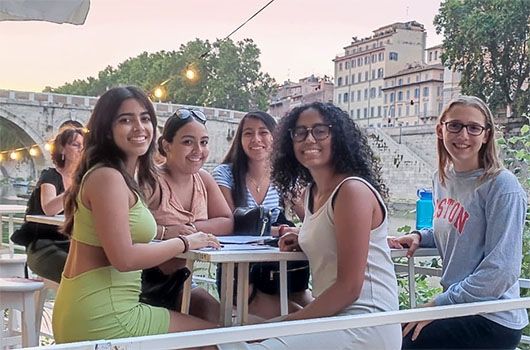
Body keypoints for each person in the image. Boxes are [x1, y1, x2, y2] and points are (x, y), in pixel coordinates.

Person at [220, 102, 402, 349]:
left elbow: (349, 288)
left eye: (320, 131)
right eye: (300, 132)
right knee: (231, 337)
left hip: (365, 322)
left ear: (338, 137)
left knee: (243, 344)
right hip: (332, 318)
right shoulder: (312, 193)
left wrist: (287, 322)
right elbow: (331, 235)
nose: (309, 139)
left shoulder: (352, 191)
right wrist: (304, 236)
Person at [52, 86, 220, 345]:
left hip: (96, 306)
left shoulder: (118, 176)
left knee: (210, 329)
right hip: (104, 314)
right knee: (214, 338)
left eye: (145, 118)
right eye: (125, 120)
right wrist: (186, 242)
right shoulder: (107, 177)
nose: (139, 127)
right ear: (107, 130)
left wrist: (170, 234)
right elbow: (124, 258)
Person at [388, 96, 528, 349]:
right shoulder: (441, 179)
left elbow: (502, 271)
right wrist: (421, 236)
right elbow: (456, 226)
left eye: (473, 127)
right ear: (441, 129)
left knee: (404, 341)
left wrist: (440, 304)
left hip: (491, 316)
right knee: (393, 334)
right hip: (459, 307)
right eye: (454, 125)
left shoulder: (501, 185)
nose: (463, 134)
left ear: (486, 135)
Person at [212, 111, 310, 319]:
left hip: (284, 273)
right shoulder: (224, 174)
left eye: (263, 132)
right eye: (248, 133)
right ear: (240, 139)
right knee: (303, 319)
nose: (256, 139)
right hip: (242, 276)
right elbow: (229, 224)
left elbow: (312, 220)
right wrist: (283, 230)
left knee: (321, 316)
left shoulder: (284, 177)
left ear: (275, 138)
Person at [145, 108, 233, 323]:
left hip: (182, 281)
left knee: (223, 319)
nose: (198, 150)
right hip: (145, 283)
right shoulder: (151, 181)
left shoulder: (203, 178)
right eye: (188, 142)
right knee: (220, 322)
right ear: (167, 145)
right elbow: (127, 227)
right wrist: (166, 232)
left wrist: (191, 229)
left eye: (203, 142)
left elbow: (227, 221)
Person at [11, 126, 84, 283]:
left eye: (83, 146)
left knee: (100, 267)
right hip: (43, 246)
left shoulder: (83, 179)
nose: (81, 149)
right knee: (77, 270)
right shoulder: (50, 176)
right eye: (76, 145)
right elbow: (49, 208)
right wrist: (76, 188)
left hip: (71, 244)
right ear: (62, 150)